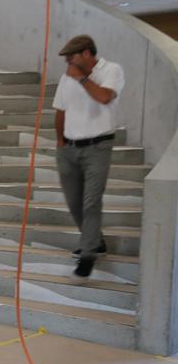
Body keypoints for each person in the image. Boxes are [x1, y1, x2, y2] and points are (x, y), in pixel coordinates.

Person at [52, 35, 125, 279]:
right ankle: (96, 241)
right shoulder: (67, 78)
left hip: (98, 147)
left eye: (71, 57)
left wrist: (82, 78)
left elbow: (104, 97)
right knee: (74, 201)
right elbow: (60, 110)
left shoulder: (111, 70)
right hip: (69, 148)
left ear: (86, 54)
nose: (67, 63)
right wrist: (60, 142)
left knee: (91, 200)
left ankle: (88, 255)